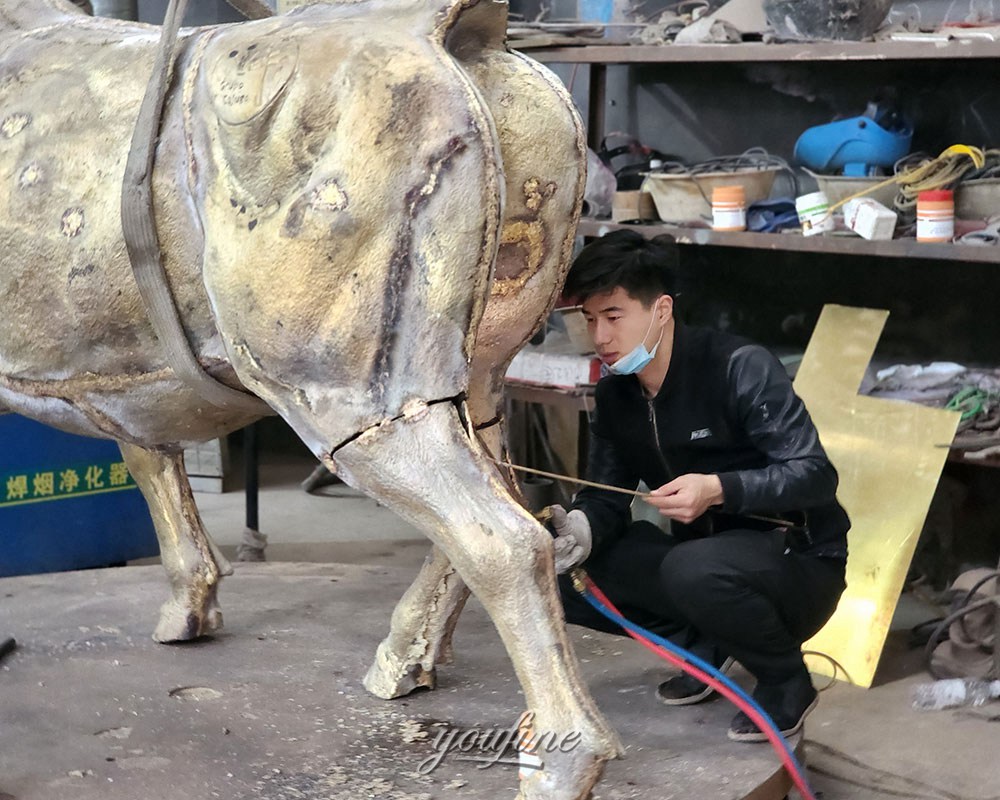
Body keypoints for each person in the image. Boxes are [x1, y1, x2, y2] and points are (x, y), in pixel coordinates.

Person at [549, 230, 849, 742]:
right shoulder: (618, 393)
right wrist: (579, 527)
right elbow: (606, 494)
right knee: (560, 576)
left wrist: (718, 488)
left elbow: (815, 475)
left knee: (693, 569)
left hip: (798, 560)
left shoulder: (737, 366)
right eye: (590, 318)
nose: (600, 336)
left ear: (661, 310)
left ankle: (785, 680)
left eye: (614, 316)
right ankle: (703, 644)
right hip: (706, 563)